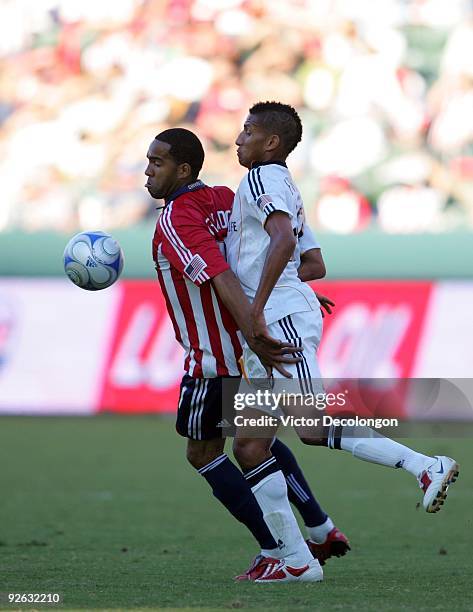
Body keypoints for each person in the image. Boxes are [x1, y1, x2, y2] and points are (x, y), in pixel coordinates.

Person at [225, 101, 460, 582]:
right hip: (277, 316)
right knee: (249, 445)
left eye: (248, 130)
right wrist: (285, 288)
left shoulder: (262, 179)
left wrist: (259, 304)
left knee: (309, 428)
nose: (239, 138)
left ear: (271, 142)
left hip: (275, 322)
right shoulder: (283, 186)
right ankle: (295, 561)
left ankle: (425, 464)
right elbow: (313, 263)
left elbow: (286, 245)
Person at [145, 128, 349, 582]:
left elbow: (220, 275)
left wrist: (256, 329)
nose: (147, 171)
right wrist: (293, 296)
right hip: (250, 347)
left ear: (183, 169)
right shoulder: (223, 197)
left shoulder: (176, 219)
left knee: (204, 453)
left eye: (156, 163)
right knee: (261, 442)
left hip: (216, 355)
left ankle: (278, 548)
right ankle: (320, 527)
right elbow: (259, 255)